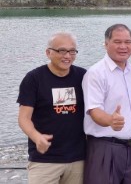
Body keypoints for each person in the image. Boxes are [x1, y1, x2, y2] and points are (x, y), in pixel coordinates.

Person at [17, 32, 86, 184]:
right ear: (48, 52)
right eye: (61, 50)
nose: (67, 56)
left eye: (72, 51)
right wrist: (37, 137)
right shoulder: (34, 79)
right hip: (44, 159)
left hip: (78, 159)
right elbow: (24, 118)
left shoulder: (83, 76)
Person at [83, 24, 131, 184]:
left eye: (128, 42)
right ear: (106, 44)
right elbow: (94, 110)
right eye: (117, 42)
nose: (123, 46)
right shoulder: (96, 73)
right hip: (105, 148)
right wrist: (110, 120)